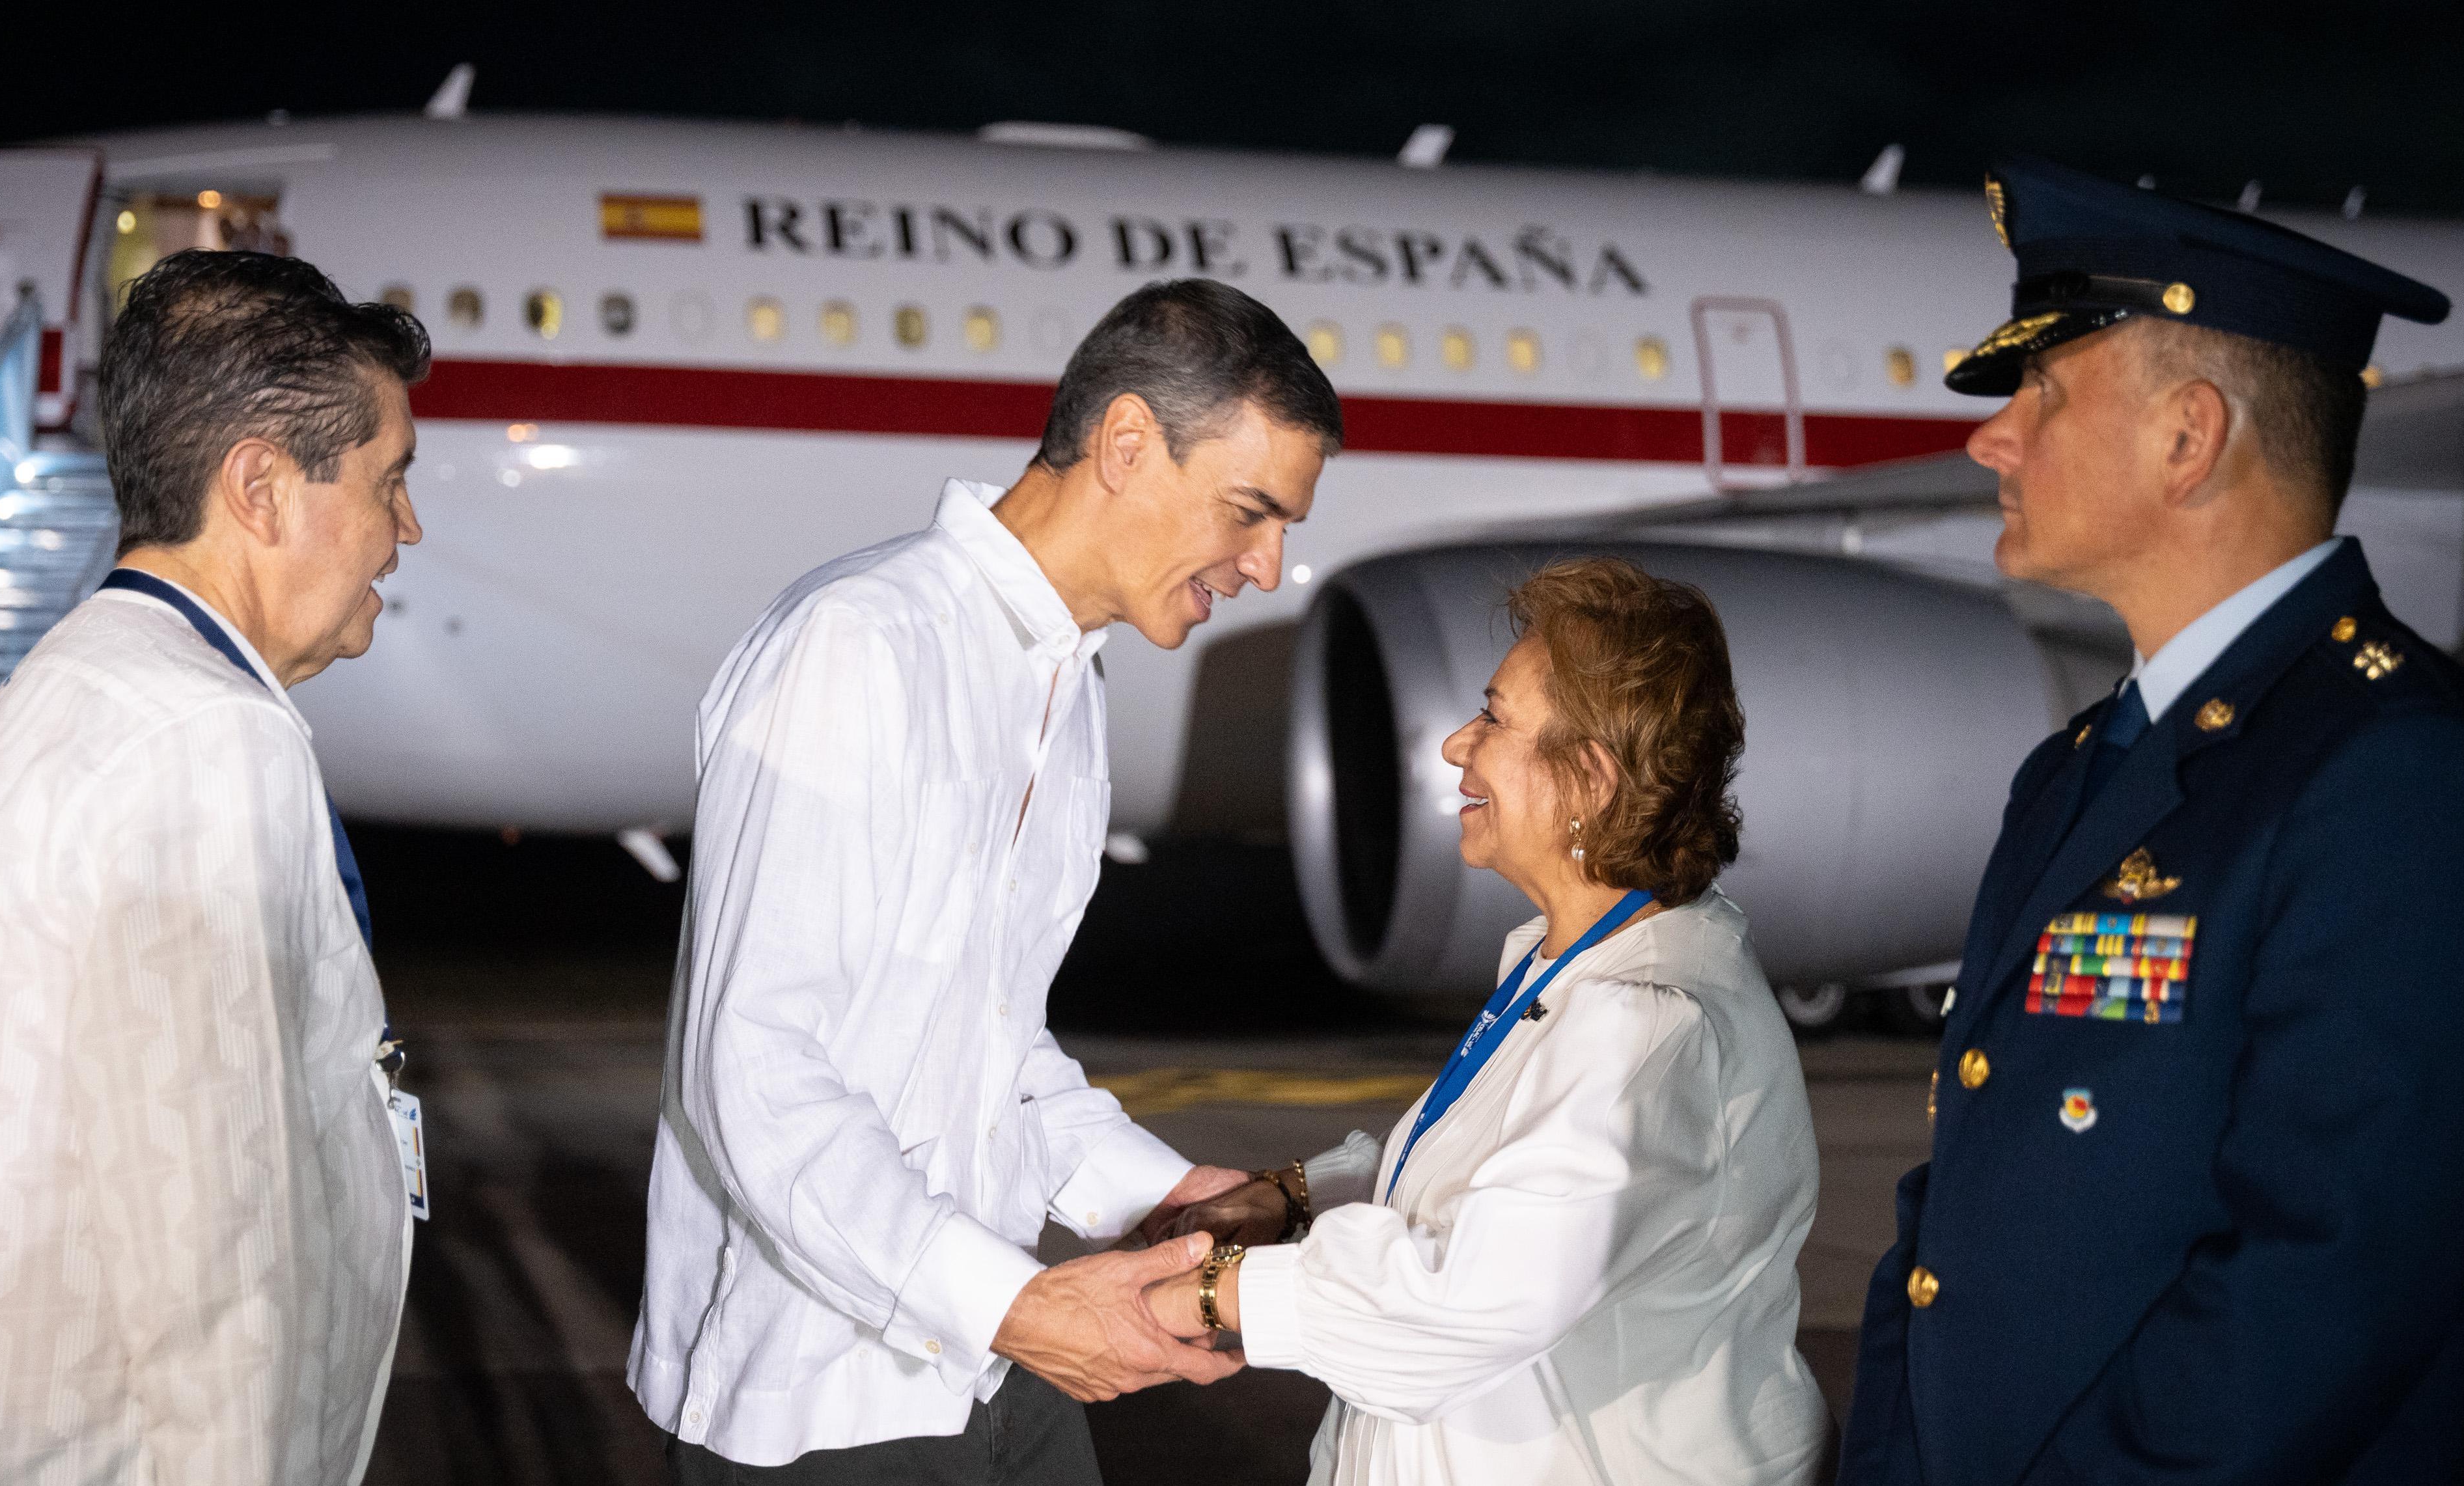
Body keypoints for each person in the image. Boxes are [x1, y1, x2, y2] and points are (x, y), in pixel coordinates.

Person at [1836, 158, 2464, 1483]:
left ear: (2188, 438)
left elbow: (2323, 1284)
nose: (1992, 437)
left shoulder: (2405, 771)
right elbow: (1949, 1232)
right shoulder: (2075, 770)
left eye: (2045, 392)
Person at [632, 278, 1344, 1482]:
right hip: (820, 1398)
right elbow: (752, 1065)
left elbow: (989, 1043)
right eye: (1250, 512)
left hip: (989, 1365)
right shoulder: (859, 644)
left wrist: (1166, 1195)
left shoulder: (1068, 681)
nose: (1270, 567)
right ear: (1128, 443)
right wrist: (1012, 1305)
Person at [1142, 557, 1831, 1485]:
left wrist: (1201, 1297)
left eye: (1495, 720)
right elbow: (1501, 1178)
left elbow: (1472, 1305)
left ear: (1588, 780)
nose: (1455, 745)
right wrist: (1299, 1197)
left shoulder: (1641, 1027)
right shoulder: (1571, 966)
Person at [0, 249, 430, 1482]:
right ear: (260, 488)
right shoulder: (204, 738)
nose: (407, 530)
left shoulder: (86, 683)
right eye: (389, 480)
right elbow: (214, 1257)